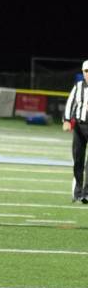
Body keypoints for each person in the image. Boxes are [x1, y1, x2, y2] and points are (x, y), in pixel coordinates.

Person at [62, 60, 88, 203]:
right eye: (86, 71)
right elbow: (70, 103)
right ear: (83, 72)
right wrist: (66, 120)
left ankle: (86, 193)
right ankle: (77, 192)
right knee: (78, 160)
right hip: (79, 126)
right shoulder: (78, 86)